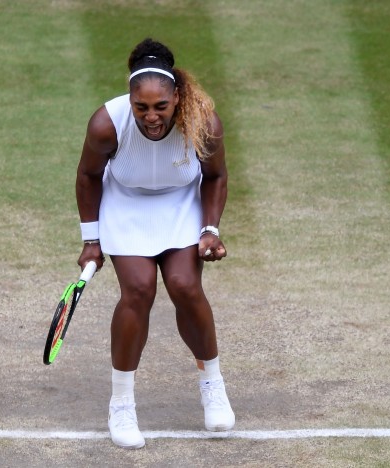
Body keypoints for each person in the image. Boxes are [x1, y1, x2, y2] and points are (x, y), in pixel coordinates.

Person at [75, 38, 234, 449]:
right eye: (141, 107)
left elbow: (215, 177)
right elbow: (89, 176)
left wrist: (210, 230)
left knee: (185, 286)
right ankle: (121, 405)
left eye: (160, 106)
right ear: (129, 99)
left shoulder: (204, 122)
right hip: (125, 205)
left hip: (180, 204)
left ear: (176, 97)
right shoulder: (107, 123)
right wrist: (91, 240)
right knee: (139, 290)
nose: (151, 116)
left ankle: (212, 384)